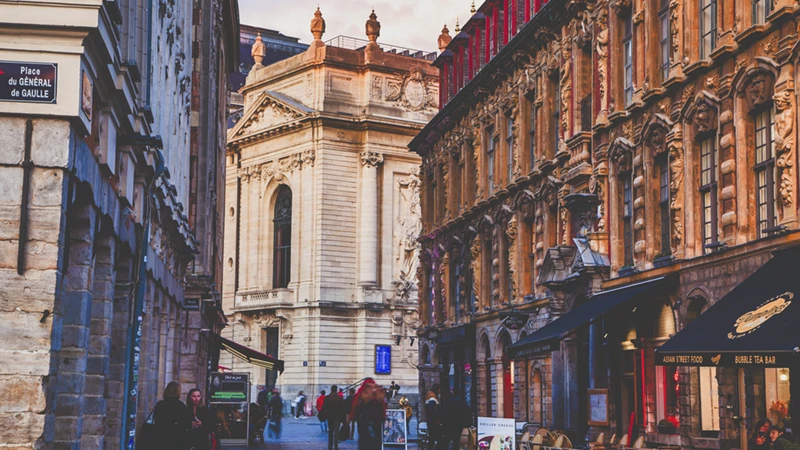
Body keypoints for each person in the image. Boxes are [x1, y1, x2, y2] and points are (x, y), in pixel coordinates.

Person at [152, 381, 190, 450]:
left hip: (160, 438)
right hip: (176, 439)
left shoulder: (160, 404)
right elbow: (185, 423)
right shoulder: (180, 406)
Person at [351, 378, 386, 449]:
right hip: (372, 427)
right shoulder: (377, 398)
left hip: (366, 427)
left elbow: (355, 410)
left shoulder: (361, 396)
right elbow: (382, 413)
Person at [324, 385, 345, 450]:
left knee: (330, 431)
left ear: (331, 389)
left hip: (330, 417)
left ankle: (330, 446)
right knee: (336, 432)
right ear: (336, 390)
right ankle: (336, 446)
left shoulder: (327, 397)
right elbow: (342, 409)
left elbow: (324, 408)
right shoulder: (340, 398)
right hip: (337, 417)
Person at [425, 384, 442, 450]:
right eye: (439, 389)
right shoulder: (432, 397)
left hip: (431, 421)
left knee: (432, 439)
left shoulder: (429, 395)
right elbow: (431, 409)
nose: (440, 391)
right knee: (439, 439)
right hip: (433, 422)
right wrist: (436, 419)